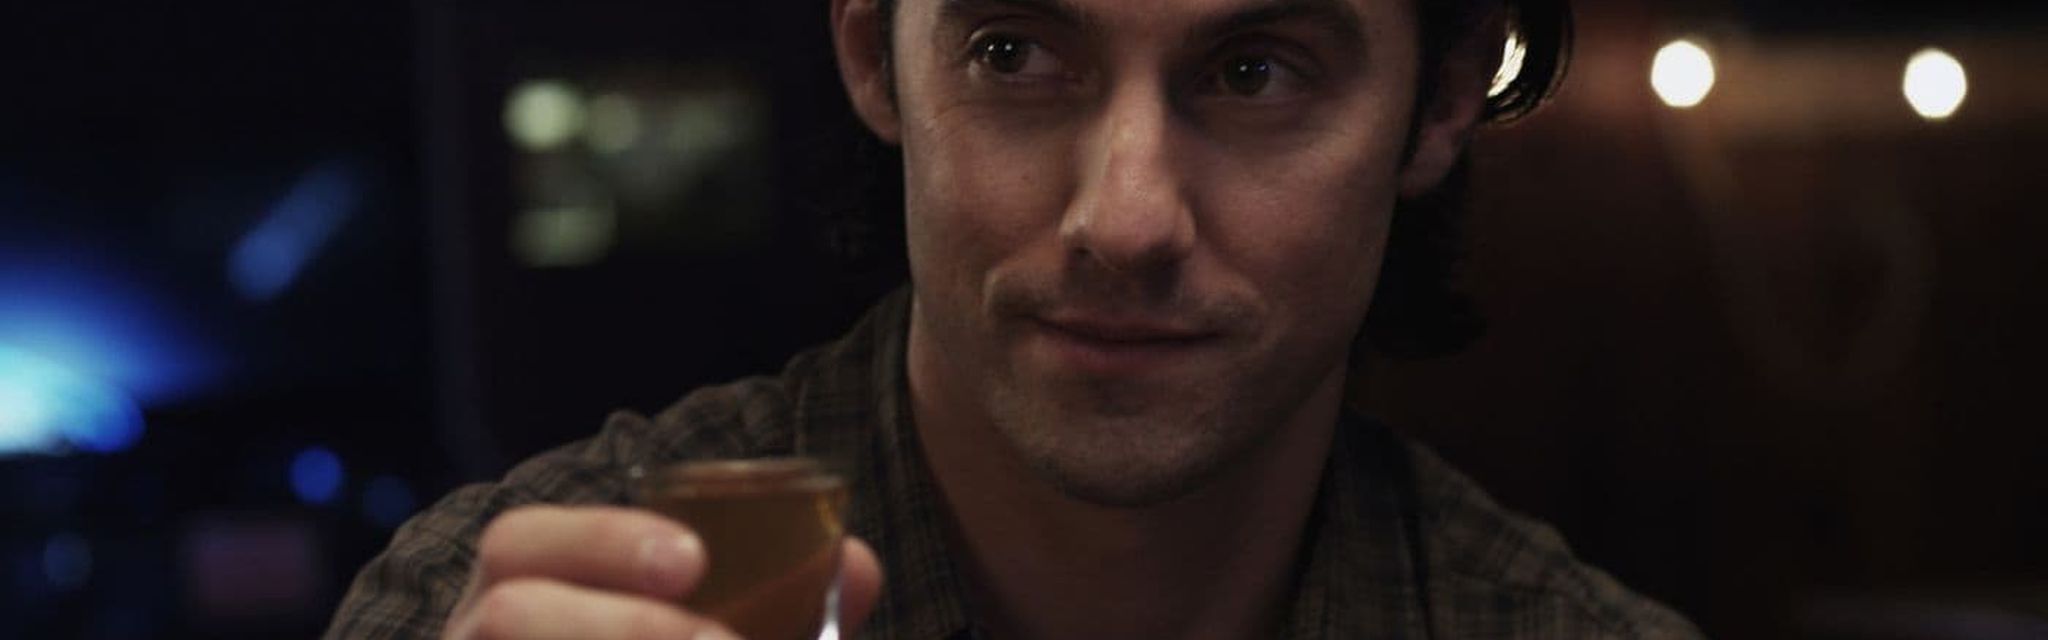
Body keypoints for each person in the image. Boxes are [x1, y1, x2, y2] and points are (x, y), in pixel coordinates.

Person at [329, 0, 1706, 637]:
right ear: (875, 56)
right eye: (1014, 53)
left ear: (1442, 101)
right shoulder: (495, 610)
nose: (1127, 217)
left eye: (1256, 71)